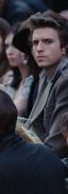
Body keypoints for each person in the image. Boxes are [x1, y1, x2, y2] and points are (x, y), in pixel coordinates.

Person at [25, 10, 68, 158]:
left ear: (64, 48)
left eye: (48, 41)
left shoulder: (65, 79)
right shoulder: (45, 74)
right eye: (35, 43)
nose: (39, 48)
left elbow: (57, 142)